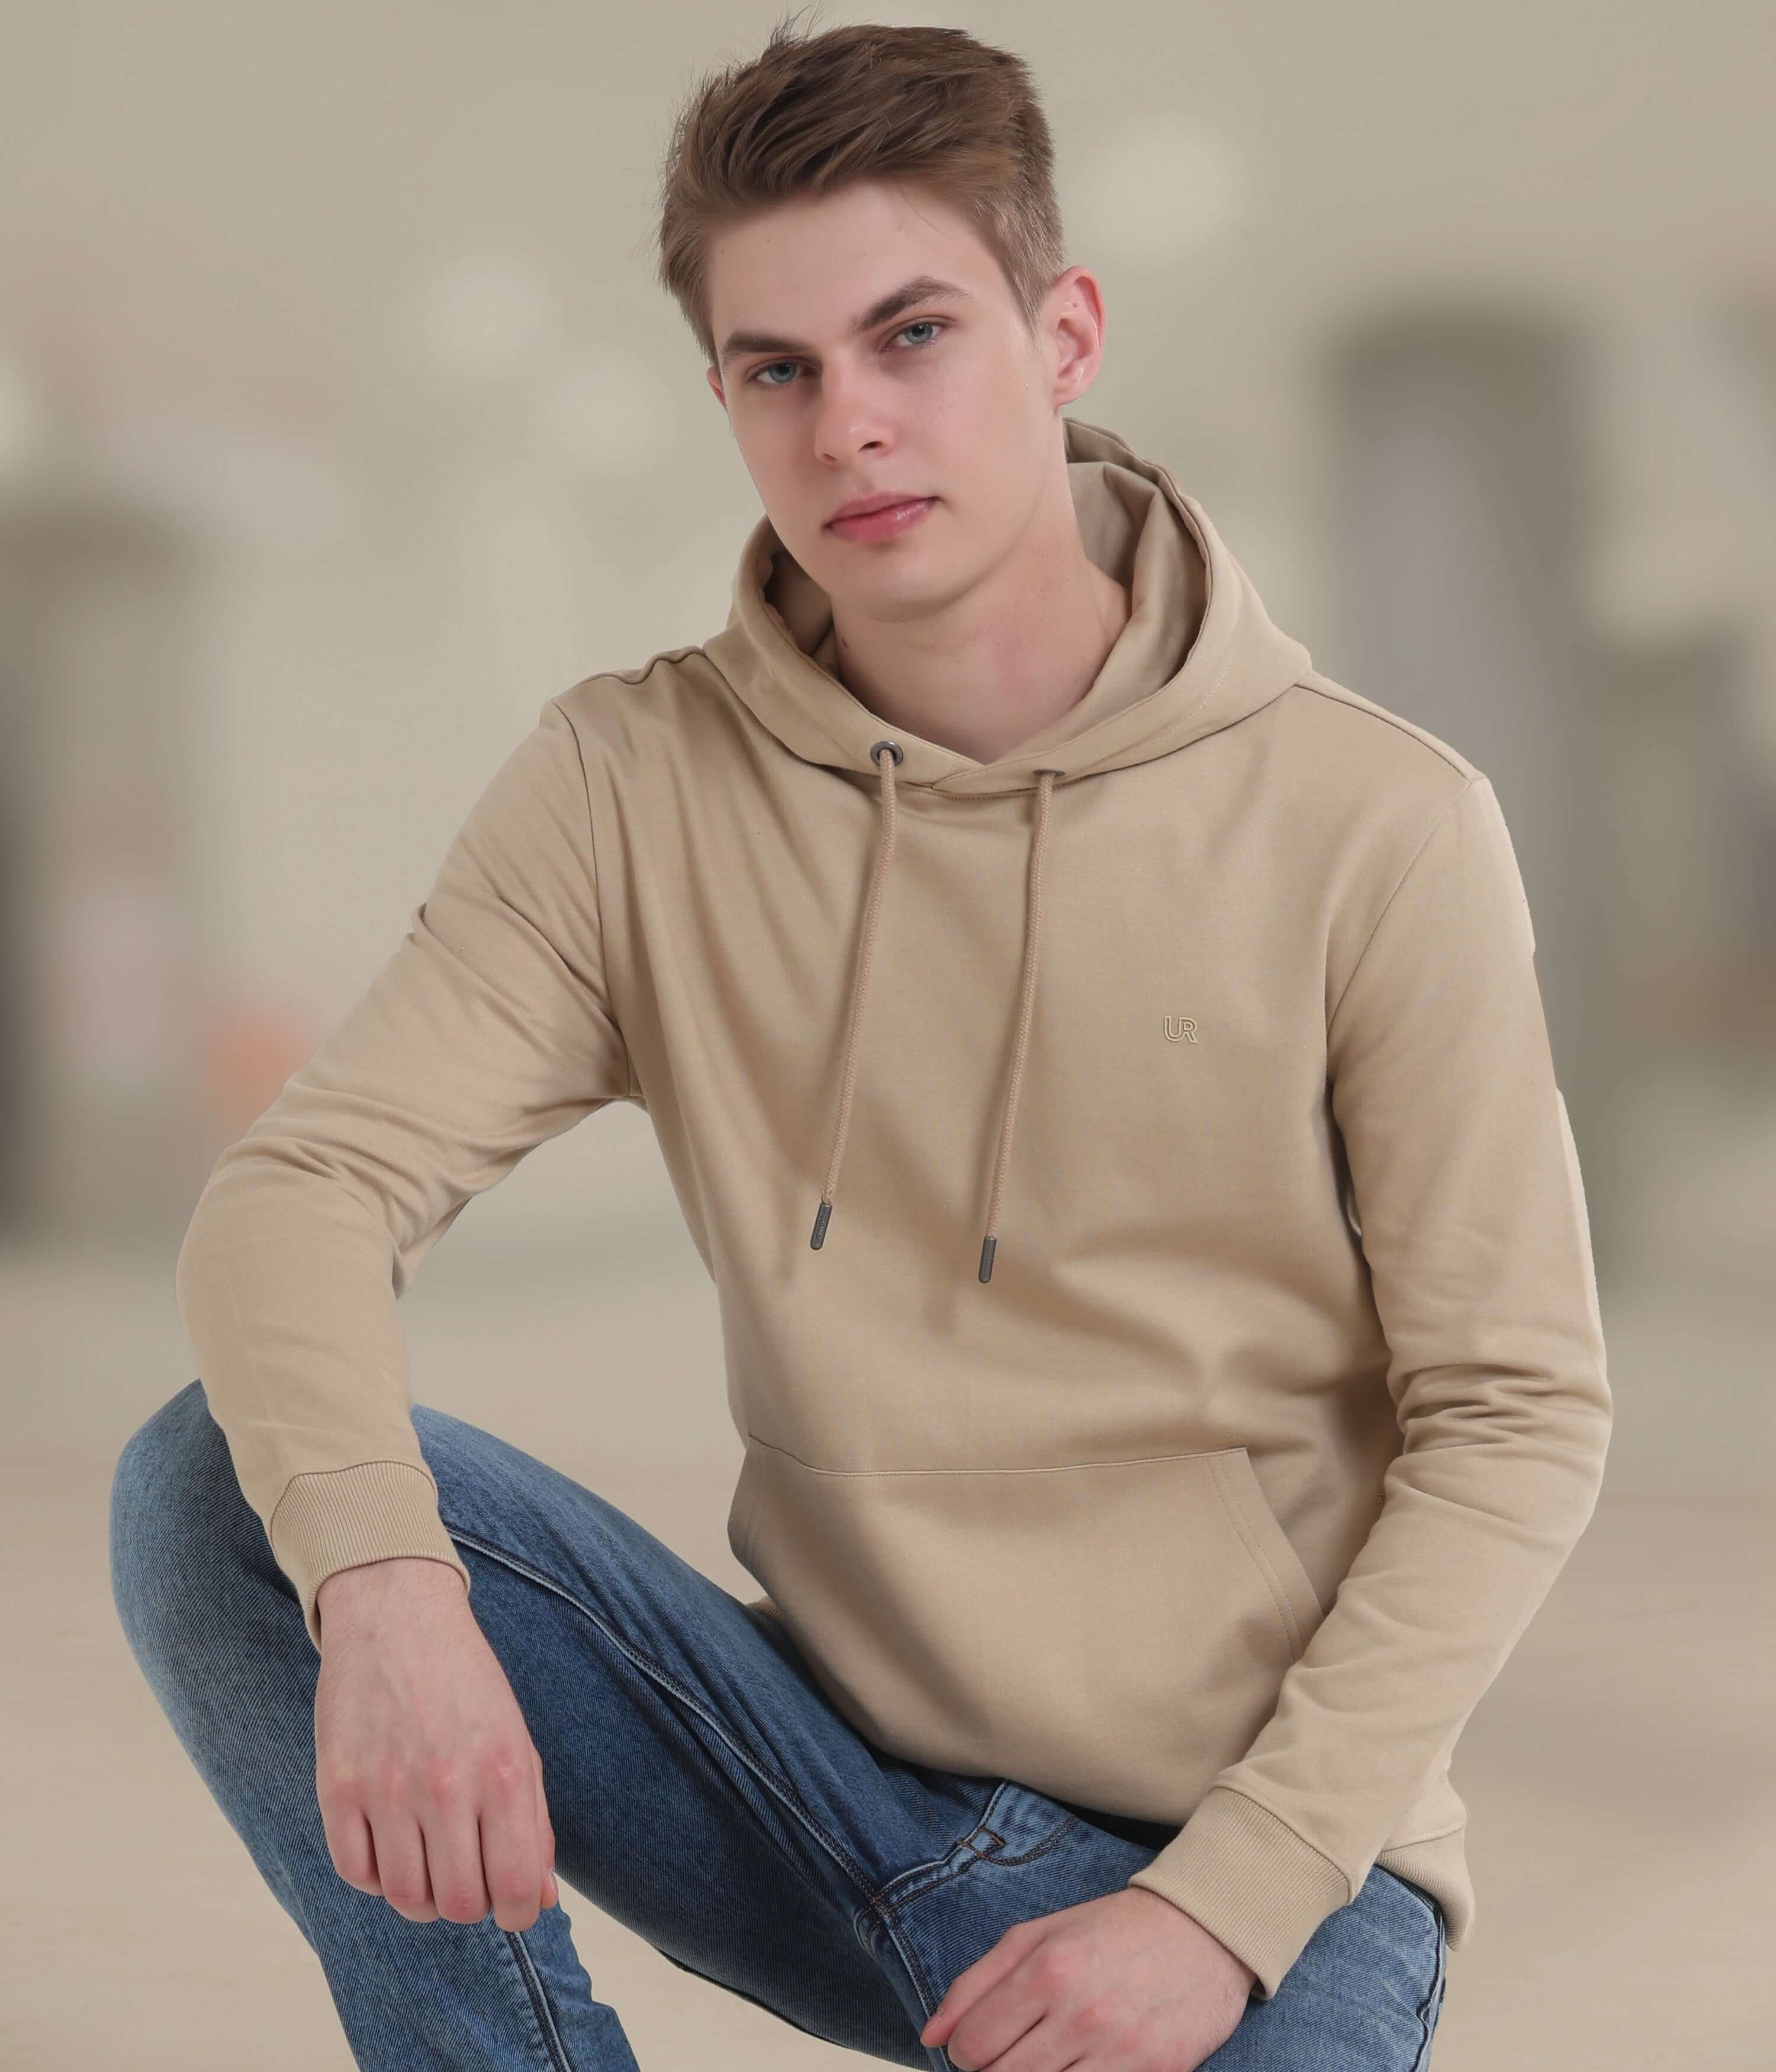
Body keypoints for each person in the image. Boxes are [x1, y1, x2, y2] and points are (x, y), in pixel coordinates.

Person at [109, 13, 1612, 2070]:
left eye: (916, 337)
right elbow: (304, 1186)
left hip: (1267, 1872)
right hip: (824, 1782)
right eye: (778, 370)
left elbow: (1518, 1410)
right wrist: (380, 1586)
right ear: (723, 390)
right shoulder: (634, 783)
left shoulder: (1377, 821)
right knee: (217, 1487)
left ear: (1064, 332)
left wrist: (1220, 1903)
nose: (850, 431)